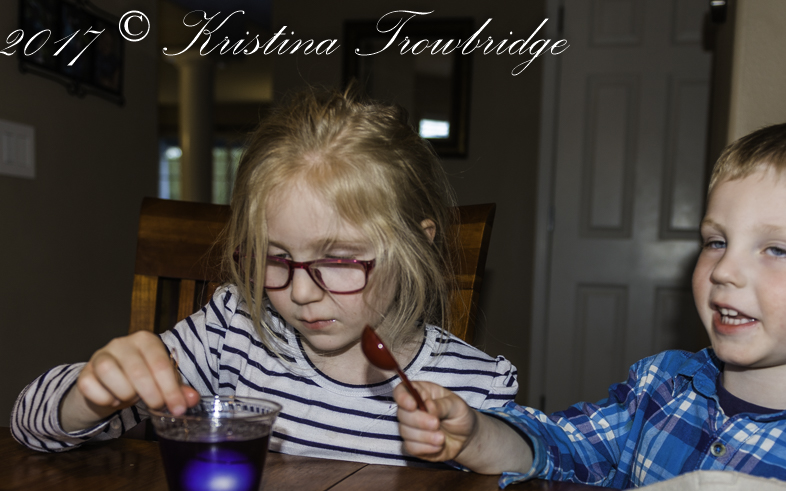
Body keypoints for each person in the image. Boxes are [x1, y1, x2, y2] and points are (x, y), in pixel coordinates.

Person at [394, 120, 786, 491]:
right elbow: (559, 446)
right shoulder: (659, 393)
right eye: (716, 241)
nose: (724, 270)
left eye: (776, 250)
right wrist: (475, 436)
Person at [11, 89, 517, 465]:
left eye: (338, 261)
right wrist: (90, 395)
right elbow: (28, 425)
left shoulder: (474, 388)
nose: (300, 292)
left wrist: (482, 442)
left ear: (417, 245)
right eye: (274, 258)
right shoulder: (231, 333)